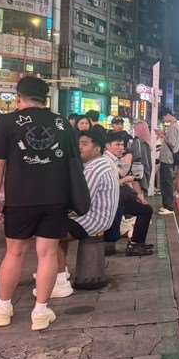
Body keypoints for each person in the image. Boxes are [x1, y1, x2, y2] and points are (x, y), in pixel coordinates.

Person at [0, 77, 80, 331]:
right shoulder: (62, 123)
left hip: (19, 199)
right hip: (54, 197)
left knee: (14, 252)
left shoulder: (5, 123)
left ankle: (3, 308)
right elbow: (73, 164)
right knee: (47, 253)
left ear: (19, 96)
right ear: (45, 98)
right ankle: (40, 311)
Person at [50, 128, 120, 298]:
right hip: (98, 216)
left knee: (49, 233)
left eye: (84, 144)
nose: (79, 147)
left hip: (91, 220)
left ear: (97, 148)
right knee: (57, 225)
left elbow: (80, 201)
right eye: (79, 143)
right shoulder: (101, 163)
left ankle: (59, 282)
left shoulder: (93, 169)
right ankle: (60, 271)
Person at [157, 111, 179, 215]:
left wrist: (162, 135)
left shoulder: (173, 127)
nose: (164, 119)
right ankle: (166, 205)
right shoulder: (173, 126)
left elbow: (172, 143)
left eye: (164, 116)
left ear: (169, 115)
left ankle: (169, 207)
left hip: (168, 158)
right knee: (165, 183)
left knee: (167, 183)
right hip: (167, 158)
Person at [128, 120, 152, 197]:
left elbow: (136, 158)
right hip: (145, 170)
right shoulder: (146, 142)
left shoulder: (137, 141)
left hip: (138, 172)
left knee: (138, 195)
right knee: (142, 194)